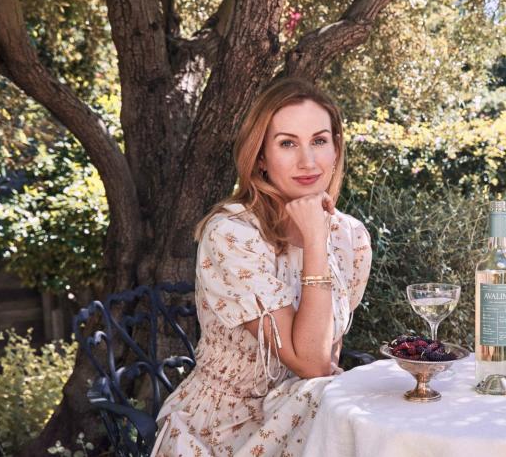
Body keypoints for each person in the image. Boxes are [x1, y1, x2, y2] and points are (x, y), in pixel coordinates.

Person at [152, 78, 371, 456]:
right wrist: (316, 241)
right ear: (261, 158)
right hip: (223, 431)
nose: (308, 161)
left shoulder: (351, 237)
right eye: (287, 143)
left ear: (336, 148)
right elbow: (312, 363)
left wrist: (321, 234)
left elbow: (329, 353)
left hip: (304, 413)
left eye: (319, 141)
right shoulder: (231, 234)